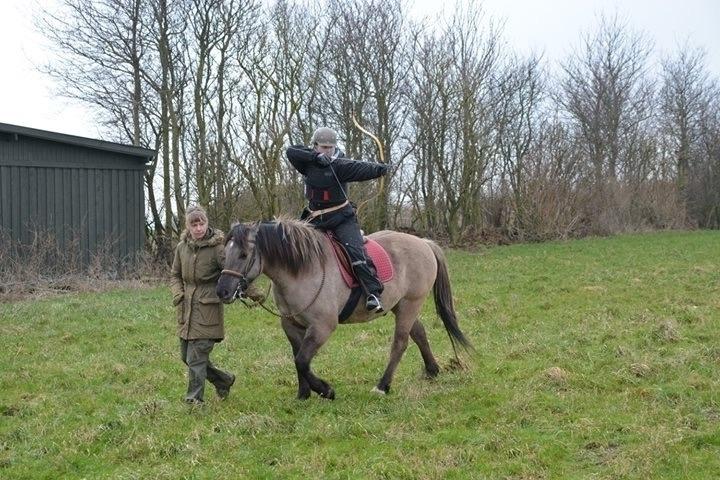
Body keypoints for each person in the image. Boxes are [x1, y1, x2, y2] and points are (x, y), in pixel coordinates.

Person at [286, 127, 389, 312]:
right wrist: (315, 158)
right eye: (324, 147)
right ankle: (295, 293)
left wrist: (380, 169)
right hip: (313, 218)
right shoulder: (307, 163)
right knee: (292, 248)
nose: (328, 151)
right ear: (315, 146)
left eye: (331, 147)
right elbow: (291, 151)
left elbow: (362, 168)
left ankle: (373, 293)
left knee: (355, 252)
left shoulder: (341, 165)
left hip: (341, 218)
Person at [170, 205, 235, 404]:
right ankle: (223, 380)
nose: (198, 228)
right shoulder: (182, 248)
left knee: (196, 358)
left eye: (201, 223)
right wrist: (178, 294)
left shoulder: (218, 248)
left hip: (208, 310)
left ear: (207, 223)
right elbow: (175, 275)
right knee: (186, 357)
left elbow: (233, 273)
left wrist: (253, 293)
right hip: (186, 309)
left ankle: (194, 401)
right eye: (194, 224)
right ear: (188, 226)